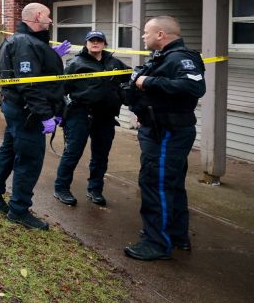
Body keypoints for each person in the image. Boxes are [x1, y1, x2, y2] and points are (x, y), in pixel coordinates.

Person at [123, 15, 205, 261]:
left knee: (155, 183)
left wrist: (148, 81)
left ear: (161, 34)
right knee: (171, 184)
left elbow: (193, 87)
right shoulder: (162, 58)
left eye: (146, 32)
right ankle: (176, 234)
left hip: (167, 132)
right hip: (158, 128)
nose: (143, 37)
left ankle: (157, 243)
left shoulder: (181, 58)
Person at [0, 2, 69, 230]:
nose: (51, 21)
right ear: (38, 15)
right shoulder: (24, 43)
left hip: (17, 109)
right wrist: (45, 115)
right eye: (48, 16)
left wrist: (51, 57)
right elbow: (28, 84)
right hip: (26, 112)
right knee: (29, 159)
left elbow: (36, 72)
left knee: (9, 151)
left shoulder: (28, 42)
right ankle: (19, 210)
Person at [53, 31, 129, 207]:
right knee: (73, 153)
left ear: (104, 44)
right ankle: (61, 188)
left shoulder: (115, 63)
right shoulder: (75, 63)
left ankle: (95, 189)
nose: (95, 43)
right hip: (80, 114)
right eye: (91, 41)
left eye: (99, 40)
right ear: (86, 44)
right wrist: (58, 113)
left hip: (106, 116)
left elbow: (131, 78)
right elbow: (61, 89)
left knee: (101, 156)